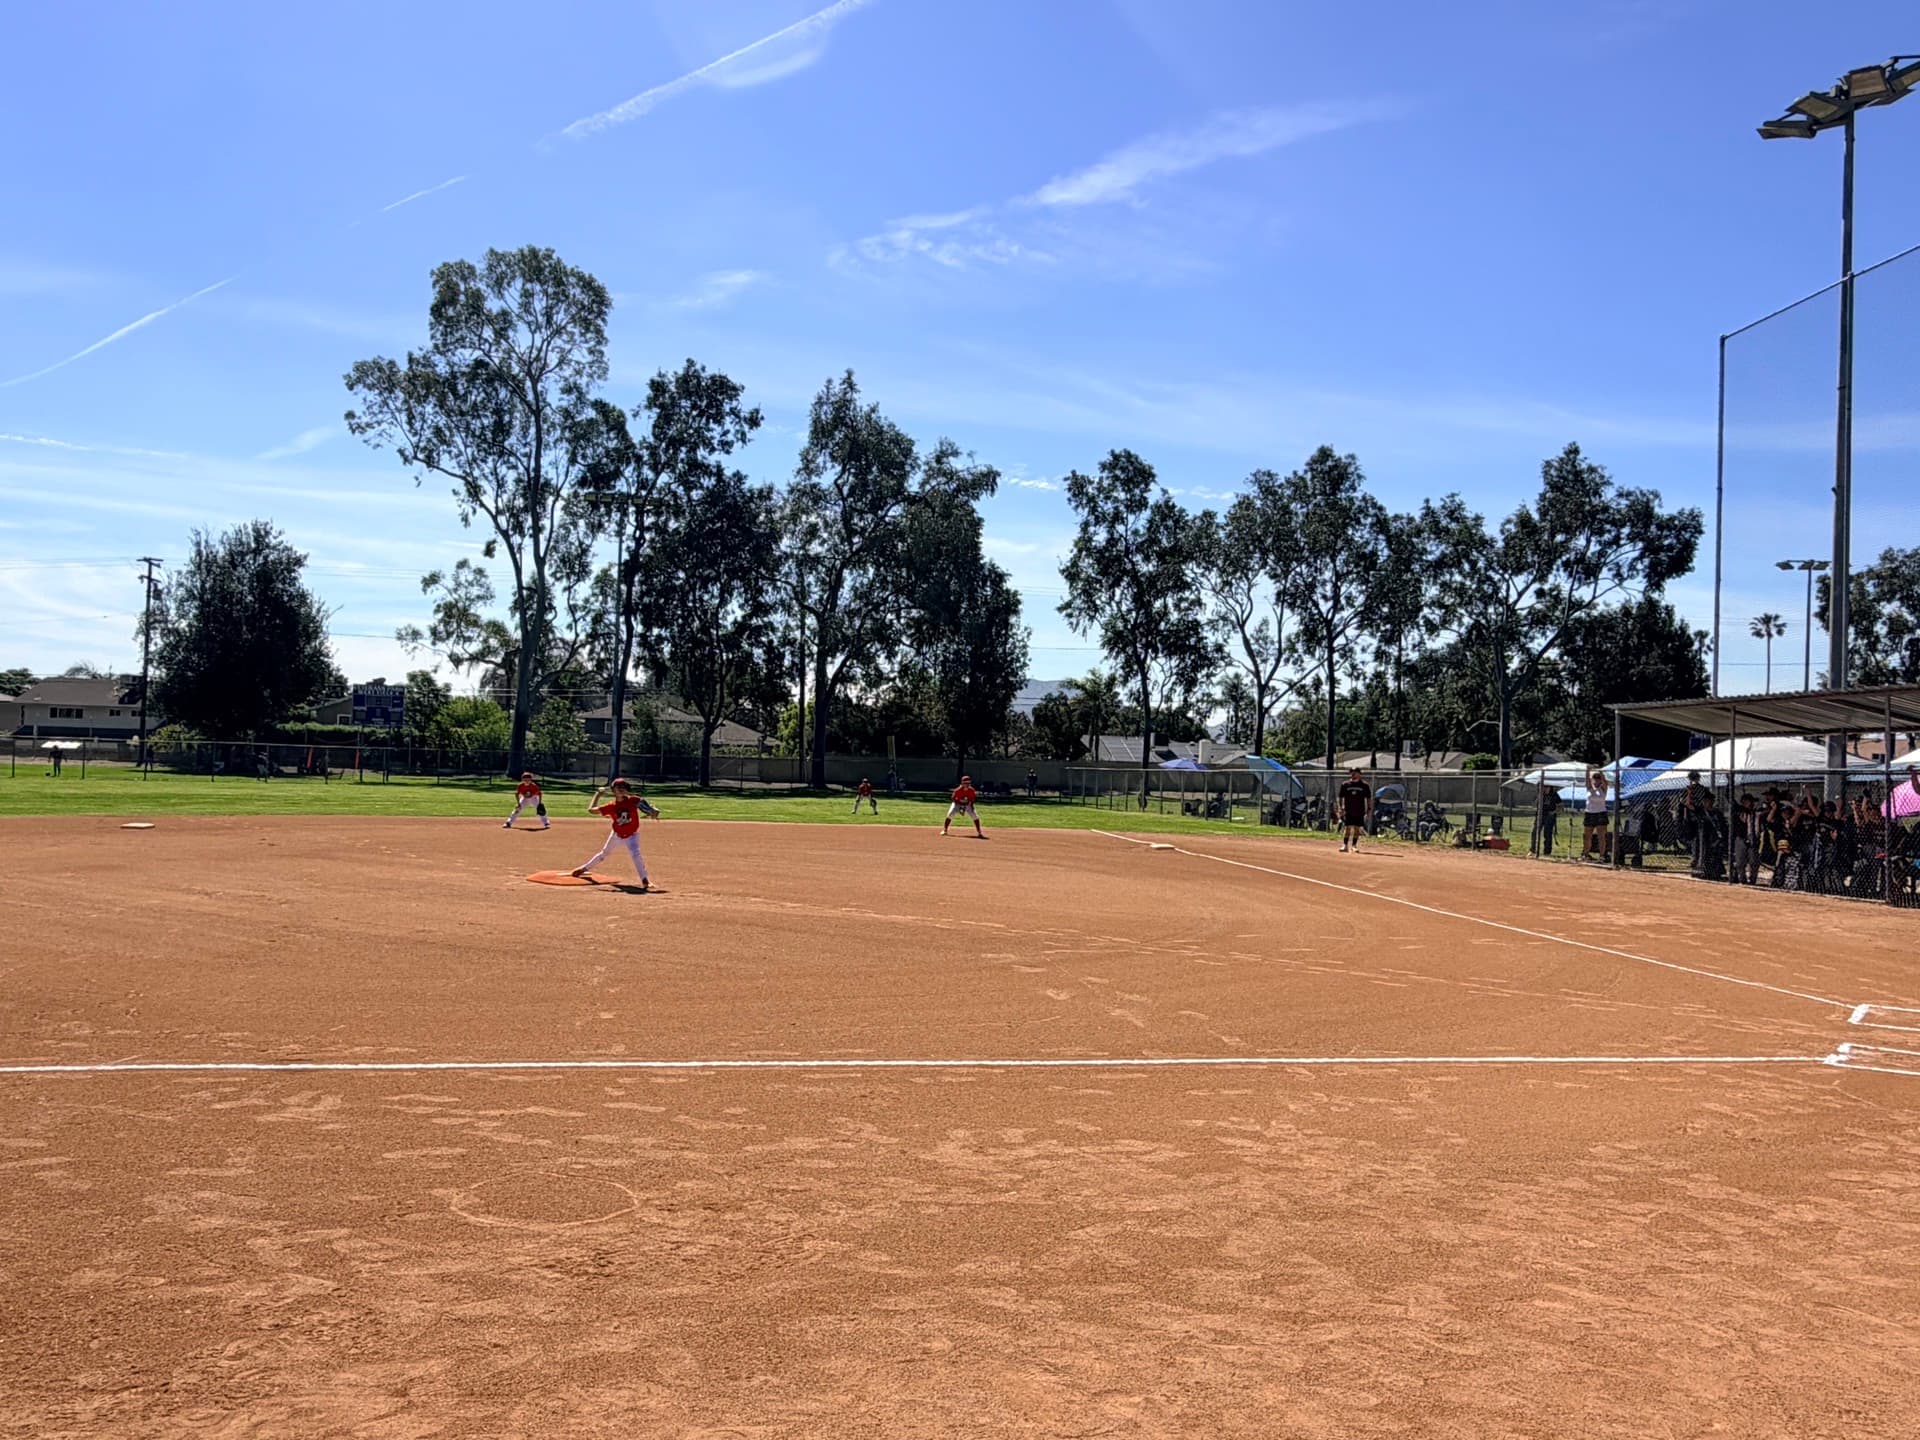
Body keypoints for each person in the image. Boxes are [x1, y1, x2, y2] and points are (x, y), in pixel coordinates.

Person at [571, 778, 660, 890]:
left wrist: (653, 811)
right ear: (613, 791)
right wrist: (598, 794)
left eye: (623, 787)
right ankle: (584, 869)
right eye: (619, 788)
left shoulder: (634, 800)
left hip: (632, 835)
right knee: (603, 854)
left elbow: (647, 806)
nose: (621, 790)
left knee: (636, 855)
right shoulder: (611, 806)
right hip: (616, 835)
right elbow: (591, 810)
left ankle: (645, 881)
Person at [1338, 768, 1371, 853]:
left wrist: (1369, 809)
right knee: (1347, 827)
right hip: (1348, 809)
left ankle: (1354, 845)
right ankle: (1345, 845)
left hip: (1359, 810)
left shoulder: (1364, 785)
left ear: (1359, 774)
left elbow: (1368, 798)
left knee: (1357, 828)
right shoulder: (1345, 784)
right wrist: (1341, 807)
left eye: (1355, 773)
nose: (1353, 774)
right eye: (1351, 773)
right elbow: (1341, 797)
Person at [1582, 766, 1611, 861]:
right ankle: (1586, 854)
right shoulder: (1589, 788)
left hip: (1600, 813)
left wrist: (1601, 771)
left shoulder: (1603, 789)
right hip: (1589, 813)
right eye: (1595, 777)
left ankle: (1602, 855)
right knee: (1587, 836)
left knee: (1601, 836)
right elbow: (1587, 779)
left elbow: (1605, 782)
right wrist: (1588, 770)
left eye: (1598, 778)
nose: (1597, 779)